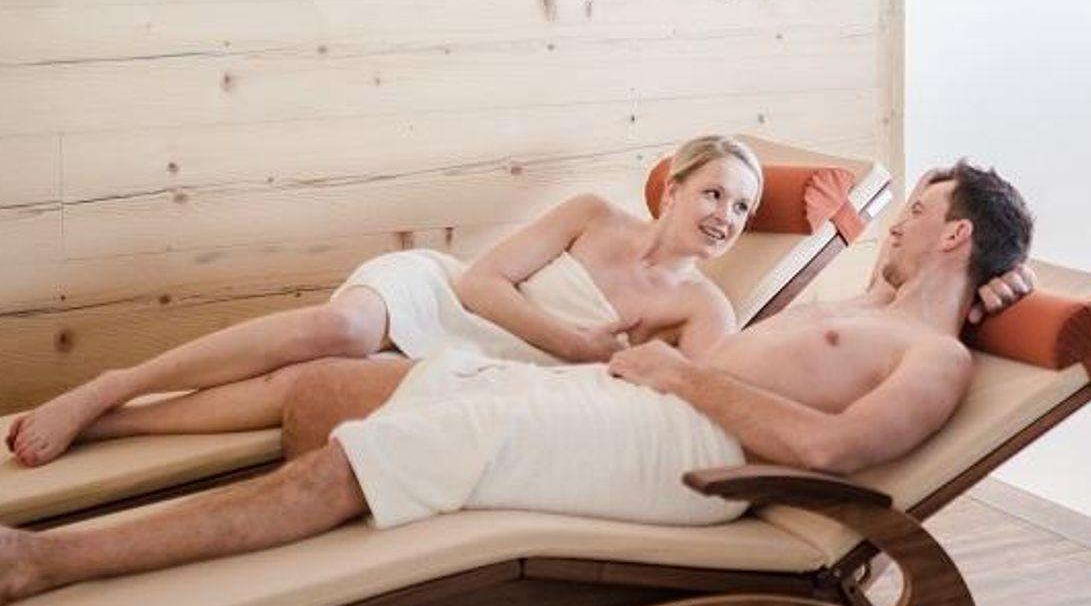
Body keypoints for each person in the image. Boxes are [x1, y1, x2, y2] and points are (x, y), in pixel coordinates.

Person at [0, 163, 1035, 606]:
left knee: (347, 467)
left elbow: (828, 451)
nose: (897, 223)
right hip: (633, 400)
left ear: (953, 234)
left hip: (681, 455)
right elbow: (910, 281)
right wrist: (1000, 287)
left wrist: (679, 373)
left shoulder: (935, 358)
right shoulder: (875, 302)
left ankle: (44, 560)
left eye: (919, 212)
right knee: (322, 394)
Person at [5, 135, 763, 468]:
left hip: (488, 372)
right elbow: (478, 283)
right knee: (341, 326)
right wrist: (575, 344)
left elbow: (698, 407)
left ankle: (113, 425)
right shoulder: (593, 214)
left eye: (743, 209)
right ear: (672, 188)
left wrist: (622, 367)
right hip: (444, 299)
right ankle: (112, 385)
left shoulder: (706, 312)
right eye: (714, 193)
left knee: (304, 386)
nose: (725, 216)